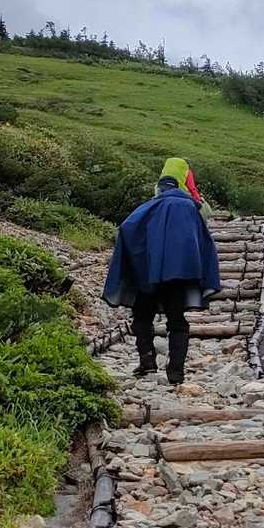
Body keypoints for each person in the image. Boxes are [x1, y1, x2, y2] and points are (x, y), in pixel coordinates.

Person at [103, 156, 220, 384]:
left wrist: (135, 260)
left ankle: (147, 361)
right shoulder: (191, 207)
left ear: (160, 187)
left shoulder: (149, 207)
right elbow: (204, 239)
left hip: (149, 275)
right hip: (179, 275)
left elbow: (127, 228)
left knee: (142, 316)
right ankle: (176, 372)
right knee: (177, 320)